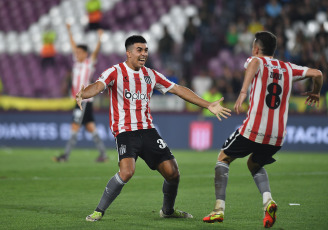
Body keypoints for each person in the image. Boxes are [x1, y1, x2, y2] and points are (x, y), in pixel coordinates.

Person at [74, 35, 232, 222]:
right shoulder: (114, 72)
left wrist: (207, 105)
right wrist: (83, 93)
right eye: (139, 50)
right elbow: (98, 86)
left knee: (173, 173)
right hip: (125, 130)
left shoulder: (151, 75)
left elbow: (177, 89)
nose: (143, 54)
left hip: (148, 130)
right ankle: (99, 210)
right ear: (129, 53)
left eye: (146, 50)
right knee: (127, 171)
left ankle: (168, 210)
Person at [202, 31, 323, 228]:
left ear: (256, 49)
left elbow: (255, 63)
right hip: (278, 136)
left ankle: (218, 210)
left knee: (223, 157)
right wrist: (316, 92)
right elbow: (317, 73)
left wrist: (243, 92)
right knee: (254, 164)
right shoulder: (288, 67)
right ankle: (268, 201)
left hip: (254, 129)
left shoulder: (256, 60)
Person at [53, 23, 108, 162]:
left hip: (83, 100)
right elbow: (72, 45)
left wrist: (100, 38)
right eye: (76, 52)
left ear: (84, 54)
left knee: (74, 126)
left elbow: (95, 52)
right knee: (90, 127)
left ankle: (65, 155)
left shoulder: (88, 63)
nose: (76, 54)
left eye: (79, 52)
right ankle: (103, 154)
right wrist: (69, 30)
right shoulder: (76, 63)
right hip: (82, 101)